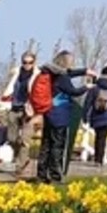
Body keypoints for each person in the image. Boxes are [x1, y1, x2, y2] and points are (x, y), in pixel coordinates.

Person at [34, 50, 79, 185]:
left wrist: (85, 71)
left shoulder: (50, 74)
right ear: (65, 62)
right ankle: (55, 175)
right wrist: (87, 87)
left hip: (49, 113)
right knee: (57, 146)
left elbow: (72, 73)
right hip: (60, 115)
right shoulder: (63, 78)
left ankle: (41, 174)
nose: (73, 64)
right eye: (71, 61)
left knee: (46, 145)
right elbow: (73, 91)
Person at [3, 50, 40, 171]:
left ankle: (20, 165)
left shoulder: (37, 75)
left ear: (34, 63)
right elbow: (9, 89)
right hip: (14, 107)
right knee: (11, 138)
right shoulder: (17, 73)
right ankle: (19, 155)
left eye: (30, 62)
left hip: (28, 110)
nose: (27, 65)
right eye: (25, 62)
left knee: (25, 139)